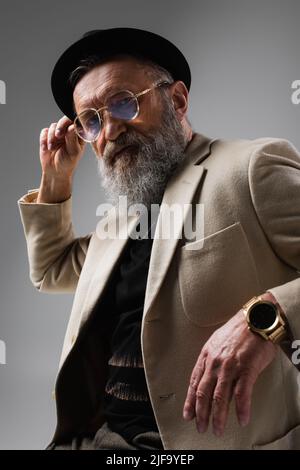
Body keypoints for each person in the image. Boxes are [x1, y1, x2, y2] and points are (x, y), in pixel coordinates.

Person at [18, 28, 300, 450]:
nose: (110, 129)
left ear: (178, 99)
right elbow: (51, 272)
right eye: (91, 121)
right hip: (99, 440)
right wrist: (55, 183)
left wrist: (262, 321)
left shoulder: (250, 168)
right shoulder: (119, 220)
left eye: (123, 103)